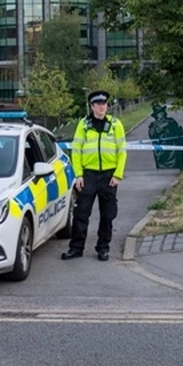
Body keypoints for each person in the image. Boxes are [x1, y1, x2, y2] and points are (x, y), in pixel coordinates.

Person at [62, 89, 127, 262]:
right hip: (88, 175)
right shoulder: (83, 125)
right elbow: (76, 151)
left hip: (109, 176)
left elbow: (122, 152)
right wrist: (78, 175)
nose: (101, 108)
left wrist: (118, 175)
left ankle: (103, 248)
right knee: (81, 214)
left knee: (107, 215)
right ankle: (76, 248)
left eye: (104, 104)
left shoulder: (115, 125)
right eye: (98, 104)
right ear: (91, 106)